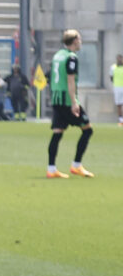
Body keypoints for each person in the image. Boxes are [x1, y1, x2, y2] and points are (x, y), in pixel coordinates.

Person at [46, 29, 94, 178]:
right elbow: (70, 80)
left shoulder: (57, 55)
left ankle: (51, 169)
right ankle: (76, 165)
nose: (80, 42)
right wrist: (74, 102)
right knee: (87, 130)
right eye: (79, 39)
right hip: (67, 100)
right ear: (74, 41)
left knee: (58, 132)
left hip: (56, 99)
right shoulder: (71, 57)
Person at [111, 53, 123, 126]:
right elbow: (111, 77)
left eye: (121, 59)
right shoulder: (113, 67)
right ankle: (121, 120)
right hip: (117, 88)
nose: (120, 60)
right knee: (119, 104)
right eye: (118, 59)